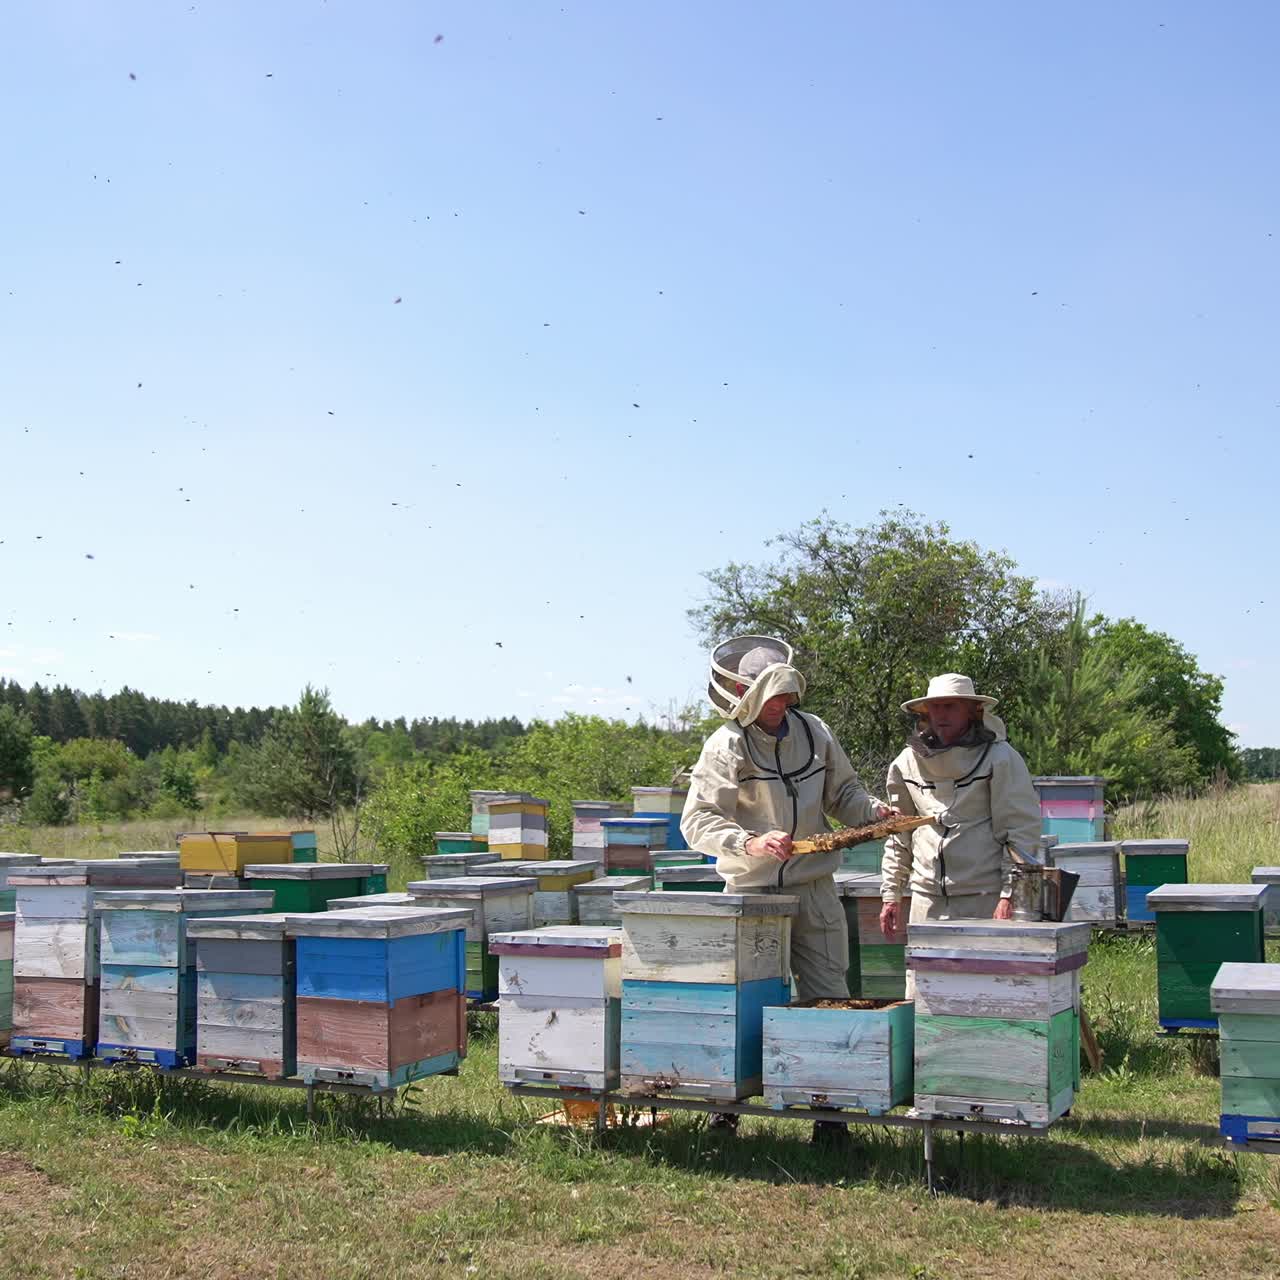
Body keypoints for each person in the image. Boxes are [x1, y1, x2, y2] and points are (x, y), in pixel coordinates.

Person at [682, 635, 896, 1143]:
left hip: (814, 886)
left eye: (786, 695)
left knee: (829, 995)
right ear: (745, 694)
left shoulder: (815, 732)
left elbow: (842, 792)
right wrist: (749, 841)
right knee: (743, 1001)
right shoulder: (725, 745)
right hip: (750, 894)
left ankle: (831, 1114)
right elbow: (698, 820)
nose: (782, 704)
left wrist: (871, 811)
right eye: (772, 696)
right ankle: (727, 1105)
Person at [879, 674, 1042, 965]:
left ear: (972, 711)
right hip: (926, 900)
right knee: (926, 998)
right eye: (936, 707)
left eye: (951, 706)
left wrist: (1009, 895)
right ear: (926, 712)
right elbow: (898, 833)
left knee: (984, 992)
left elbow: (1020, 832)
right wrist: (891, 894)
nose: (941, 714)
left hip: (983, 898)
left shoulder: (1000, 759)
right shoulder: (905, 762)